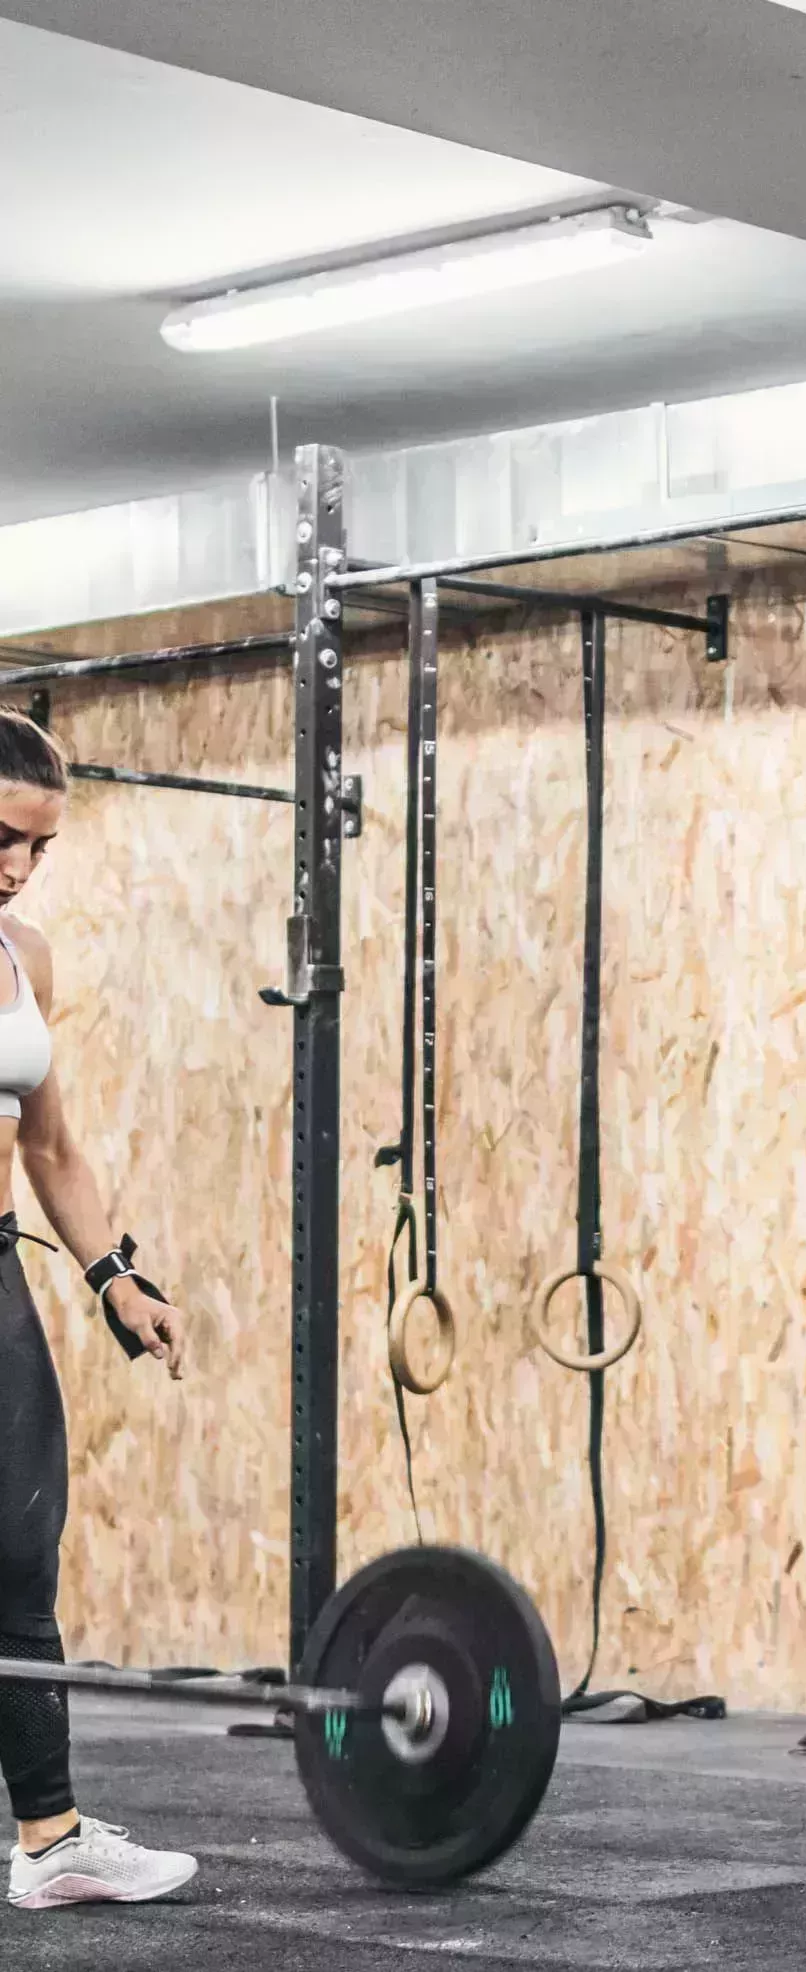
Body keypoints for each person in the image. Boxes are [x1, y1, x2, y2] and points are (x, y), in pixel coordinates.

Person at [0, 713, 197, 1910]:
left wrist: (113, 1274)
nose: (15, 867)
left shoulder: (23, 955)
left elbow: (51, 1141)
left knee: (19, 1547)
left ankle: (49, 1837)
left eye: (37, 847)